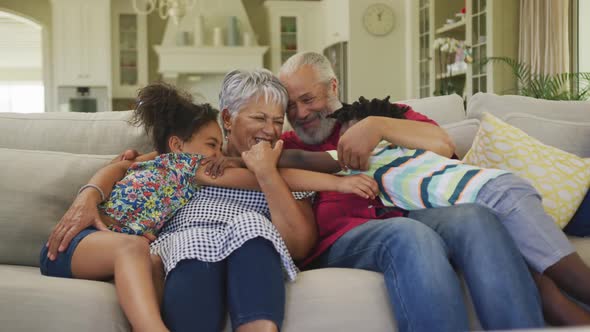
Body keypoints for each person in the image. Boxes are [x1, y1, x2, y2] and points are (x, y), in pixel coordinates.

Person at [42, 73, 378, 332]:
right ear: (229, 119)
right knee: (177, 245)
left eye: (277, 121)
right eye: (259, 118)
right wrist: (89, 194)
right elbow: (123, 167)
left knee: (251, 227)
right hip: (159, 246)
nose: (271, 130)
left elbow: (301, 233)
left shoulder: (271, 163)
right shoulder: (193, 162)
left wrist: (270, 174)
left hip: (241, 243)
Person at [276, 51, 545, 331]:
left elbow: (442, 145)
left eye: (308, 100)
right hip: (340, 240)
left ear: (333, 86)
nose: (300, 113)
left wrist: (378, 126)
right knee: (406, 233)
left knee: (474, 216)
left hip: (409, 212)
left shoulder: (377, 114)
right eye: (290, 107)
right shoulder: (286, 145)